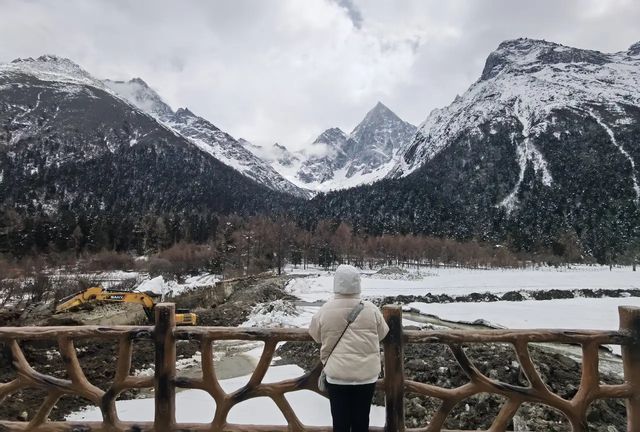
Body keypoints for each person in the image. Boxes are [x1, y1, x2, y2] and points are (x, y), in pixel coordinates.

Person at [309, 264, 389, 432]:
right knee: (361, 421)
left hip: (337, 375)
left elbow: (315, 335)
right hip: (366, 375)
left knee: (340, 422)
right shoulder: (371, 309)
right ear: (357, 284)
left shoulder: (325, 310)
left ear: (336, 284)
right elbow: (383, 334)